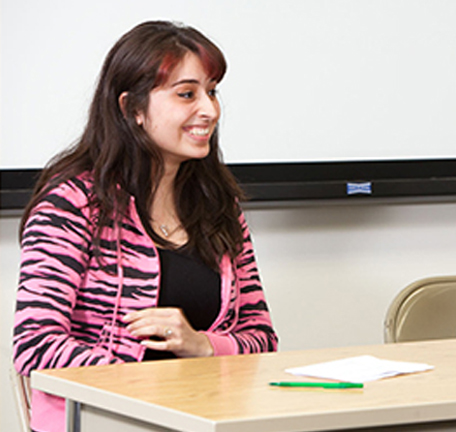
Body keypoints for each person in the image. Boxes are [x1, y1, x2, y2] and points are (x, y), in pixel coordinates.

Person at [13, 21, 278, 432]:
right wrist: (148, 386)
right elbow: (35, 346)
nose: (209, 110)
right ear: (131, 108)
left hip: (210, 418)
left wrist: (202, 345)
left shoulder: (218, 205)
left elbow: (262, 338)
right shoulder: (73, 204)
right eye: (187, 94)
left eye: (212, 91)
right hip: (102, 422)